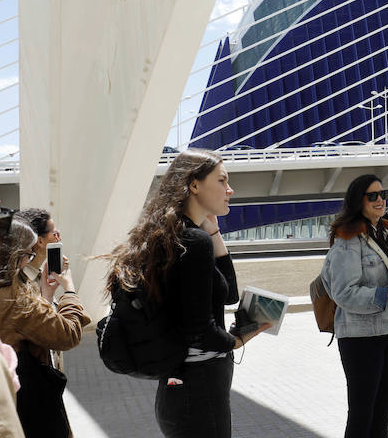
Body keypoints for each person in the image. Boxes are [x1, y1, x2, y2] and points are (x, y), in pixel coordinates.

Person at [105, 149, 268, 438]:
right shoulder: (192, 242)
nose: (230, 189)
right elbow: (201, 331)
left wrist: (214, 232)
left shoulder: (173, 236)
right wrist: (238, 340)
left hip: (180, 388)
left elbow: (227, 293)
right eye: (221, 180)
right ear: (194, 185)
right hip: (199, 386)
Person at [321, 174, 388, 438]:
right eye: (372, 196)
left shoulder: (387, 233)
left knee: (383, 414)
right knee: (362, 415)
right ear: (358, 201)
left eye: (383, 194)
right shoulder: (348, 239)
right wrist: (387, 292)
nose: (380, 200)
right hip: (360, 338)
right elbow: (343, 292)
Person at [0, 209, 90, 437]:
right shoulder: (16, 297)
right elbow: (68, 334)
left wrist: (46, 296)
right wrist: (69, 290)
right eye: (27, 254)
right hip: (30, 402)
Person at [16, 209, 59, 288]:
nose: (58, 239)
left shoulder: (40, 274)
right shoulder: (22, 283)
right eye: (55, 234)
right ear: (40, 241)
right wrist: (69, 287)